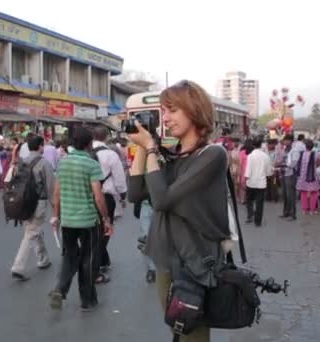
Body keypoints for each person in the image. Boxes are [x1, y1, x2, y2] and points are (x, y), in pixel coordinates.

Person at [127, 80, 230, 341]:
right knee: (178, 330)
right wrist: (142, 147)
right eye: (163, 112)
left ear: (193, 109)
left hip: (196, 264)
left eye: (172, 110)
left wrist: (151, 148)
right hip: (166, 259)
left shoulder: (212, 155)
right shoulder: (172, 155)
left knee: (192, 335)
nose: (166, 118)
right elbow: (136, 194)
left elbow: (162, 200)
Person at [48, 127, 113, 312]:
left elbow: (57, 193)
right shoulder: (91, 164)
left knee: (70, 256)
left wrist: (56, 216)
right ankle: (87, 299)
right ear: (88, 144)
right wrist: (106, 219)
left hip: (68, 221)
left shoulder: (63, 163)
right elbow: (99, 197)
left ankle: (60, 288)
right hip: (89, 221)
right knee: (89, 259)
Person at [10, 135, 55, 281]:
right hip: (38, 202)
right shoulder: (44, 164)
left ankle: (43, 258)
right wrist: (56, 209)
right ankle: (18, 266)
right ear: (41, 146)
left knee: (33, 230)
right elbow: (50, 189)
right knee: (31, 233)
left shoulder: (22, 162)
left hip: (22, 202)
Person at [91, 126, 128, 284]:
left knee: (93, 230)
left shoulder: (84, 152)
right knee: (105, 230)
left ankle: (103, 260)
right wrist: (123, 195)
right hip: (106, 197)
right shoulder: (110, 155)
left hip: (87, 197)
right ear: (106, 137)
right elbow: (120, 179)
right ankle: (95, 264)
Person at [245, 137, 272, 227]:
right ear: (261, 145)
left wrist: (245, 179)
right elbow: (268, 172)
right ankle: (258, 221)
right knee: (259, 203)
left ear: (253, 145)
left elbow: (248, 170)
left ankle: (250, 215)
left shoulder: (250, 156)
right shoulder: (266, 156)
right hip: (261, 183)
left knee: (249, 200)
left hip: (251, 182)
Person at [296, 139, 320, 215]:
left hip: (302, 176)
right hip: (312, 176)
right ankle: (312, 210)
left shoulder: (301, 153)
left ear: (305, 146)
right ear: (313, 147)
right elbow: (318, 164)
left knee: (303, 193)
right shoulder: (316, 154)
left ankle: (304, 210)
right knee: (314, 193)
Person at [277, 134, 298, 221]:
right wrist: (279, 163)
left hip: (291, 174)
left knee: (291, 195)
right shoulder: (285, 149)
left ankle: (293, 214)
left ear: (290, 141)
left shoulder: (295, 151)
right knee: (285, 194)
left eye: (285, 140)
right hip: (284, 173)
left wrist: (281, 164)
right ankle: (286, 212)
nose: (284, 142)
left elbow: (293, 164)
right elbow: (283, 159)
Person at [238, 139, 253, 204]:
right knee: (246, 186)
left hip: (245, 171)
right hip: (249, 171)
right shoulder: (252, 152)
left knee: (244, 186)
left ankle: (244, 199)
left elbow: (240, 163)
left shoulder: (242, 152)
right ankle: (246, 199)